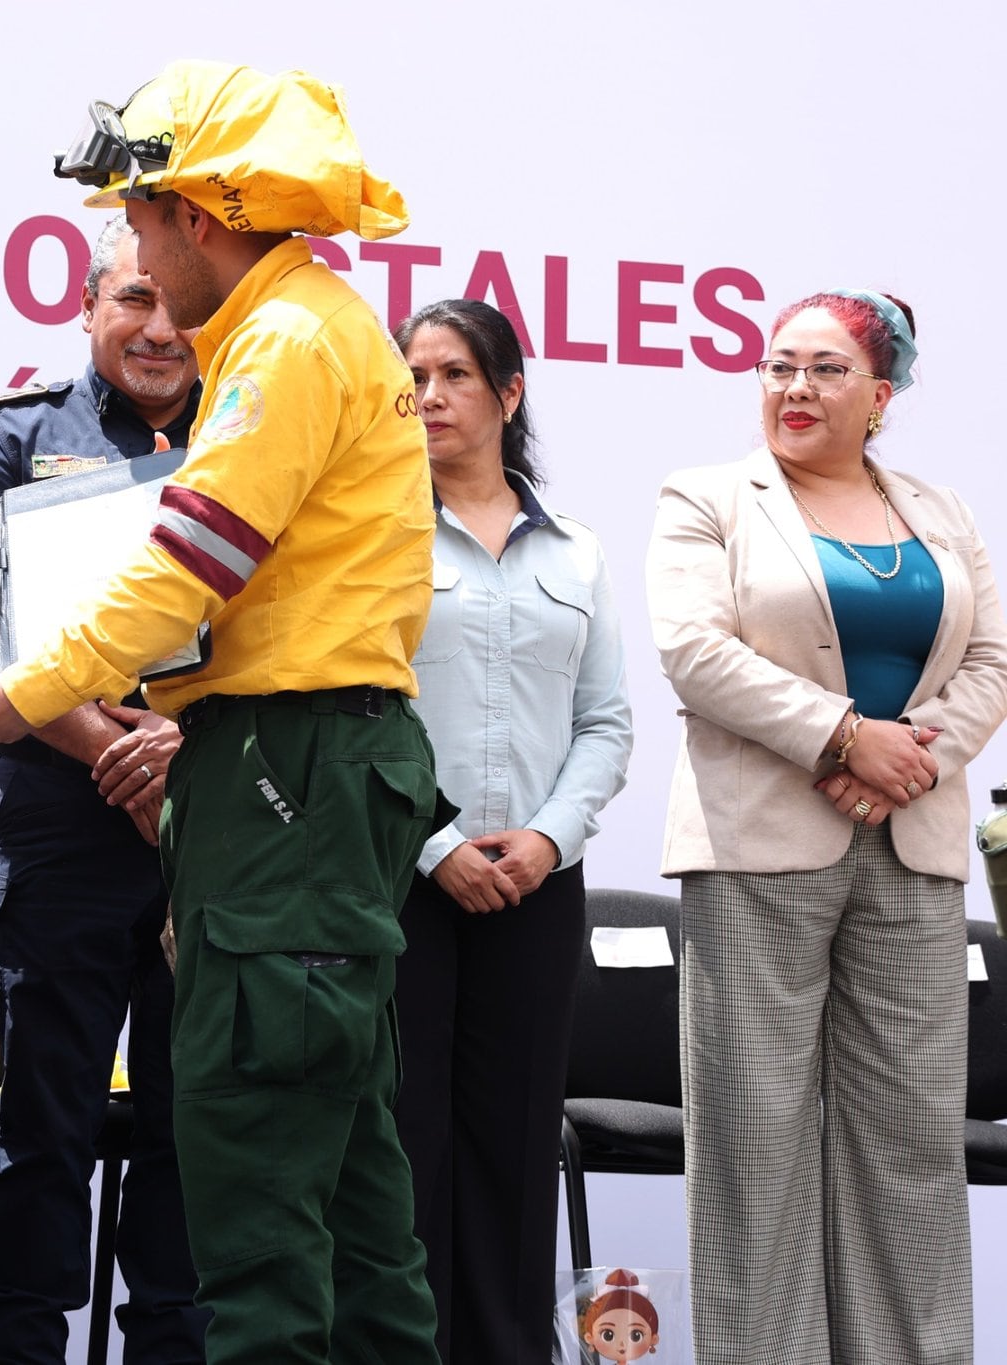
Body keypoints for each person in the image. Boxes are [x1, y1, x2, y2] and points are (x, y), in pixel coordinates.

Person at [0, 60, 447, 1365]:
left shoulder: (281, 341)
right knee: (350, 1182)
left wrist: (27, 692)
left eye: (146, 222)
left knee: (255, 1170)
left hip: (288, 772)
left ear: (201, 218)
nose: (143, 257)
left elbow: (190, 563)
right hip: (318, 772)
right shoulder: (319, 326)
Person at [648, 288, 1007, 1364]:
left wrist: (912, 757)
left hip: (911, 847)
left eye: (821, 371)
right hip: (757, 842)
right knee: (752, 1146)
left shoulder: (939, 512)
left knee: (907, 1148)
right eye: (775, 367)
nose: (791, 390)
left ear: (878, 396)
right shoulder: (705, 496)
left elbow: (989, 666)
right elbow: (693, 653)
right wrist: (847, 739)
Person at [0, 215, 207, 1364]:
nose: (156, 331)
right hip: (61, 826)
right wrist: (114, 748)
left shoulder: (255, 434)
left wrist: (184, 757)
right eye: (130, 303)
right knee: (43, 1128)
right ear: (87, 309)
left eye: (175, 306)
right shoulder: (18, 436)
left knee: (187, 1132)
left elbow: (295, 628)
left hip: (216, 826)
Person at [390, 299, 632, 1365]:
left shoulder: (575, 552)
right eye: (414, 376)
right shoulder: (372, 535)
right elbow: (362, 715)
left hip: (536, 886)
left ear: (507, 394)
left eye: (452, 374)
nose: (429, 395)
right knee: (401, 1148)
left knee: (514, 1148)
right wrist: (436, 845)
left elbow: (604, 722)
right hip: (401, 880)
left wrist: (545, 839)